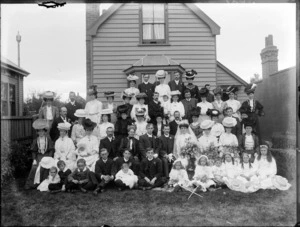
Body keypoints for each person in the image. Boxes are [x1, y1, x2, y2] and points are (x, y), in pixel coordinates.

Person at [24, 119, 55, 190]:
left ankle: (43, 183)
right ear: (37, 132)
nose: (41, 132)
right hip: (39, 156)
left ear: (44, 131)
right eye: (39, 131)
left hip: (47, 155)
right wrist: (34, 159)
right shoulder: (36, 140)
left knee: (46, 167)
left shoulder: (48, 139)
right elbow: (34, 151)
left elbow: (51, 149)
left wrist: (49, 157)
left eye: (42, 131)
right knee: (35, 167)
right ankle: (32, 184)